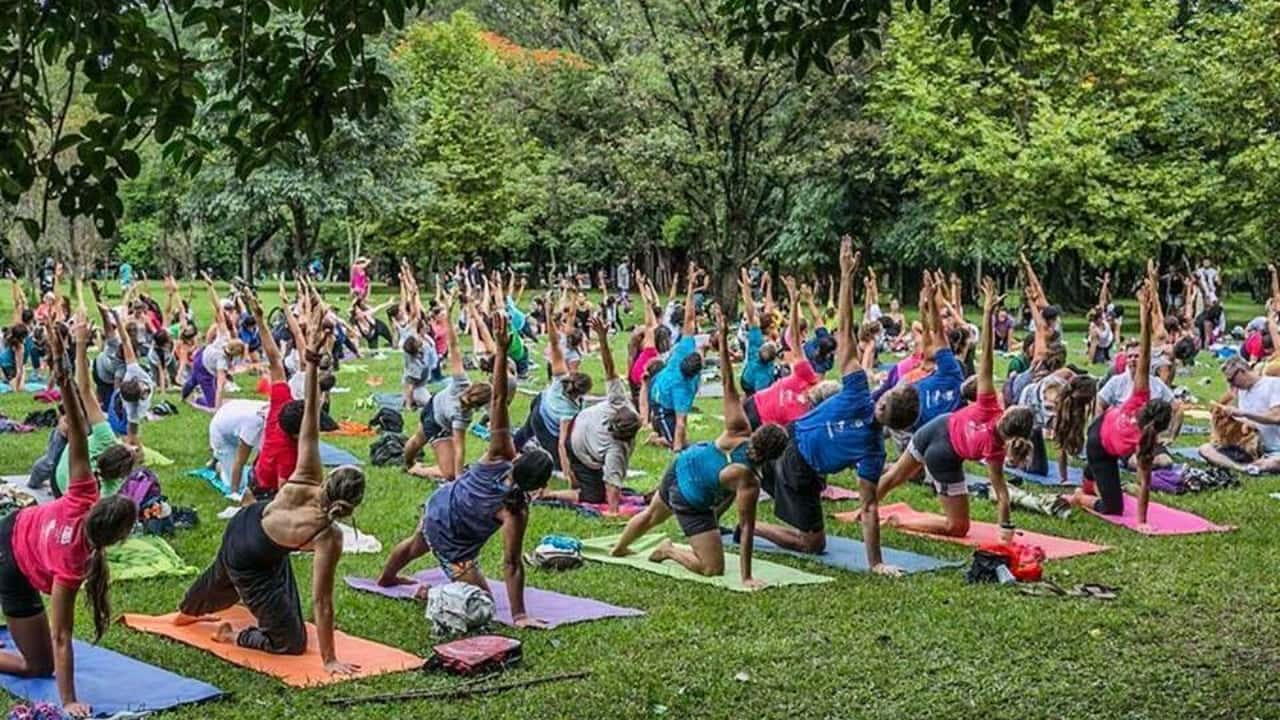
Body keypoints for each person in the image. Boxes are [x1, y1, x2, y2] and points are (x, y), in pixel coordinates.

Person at [175, 306, 366, 672]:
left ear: (329, 481)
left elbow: (309, 419)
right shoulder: (330, 534)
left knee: (218, 580)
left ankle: (189, 610)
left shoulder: (308, 476)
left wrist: (310, 363)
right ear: (352, 505)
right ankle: (230, 634)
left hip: (248, 527)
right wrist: (329, 661)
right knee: (291, 643)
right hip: (251, 555)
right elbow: (323, 602)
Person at [376, 313, 554, 628]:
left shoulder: (500, 454)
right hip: (451, 540)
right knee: (482, 604)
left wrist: (501, 352)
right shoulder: (516, 510)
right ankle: (430, 593)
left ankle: (387, 578)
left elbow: (498, 398)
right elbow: (511, 564)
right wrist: (520, 615)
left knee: (417, 543)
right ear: (536, 488)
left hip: (438, 505)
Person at [0, 314, 136, 718]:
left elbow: (76, 430)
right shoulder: (73, 563)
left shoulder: (83, 492)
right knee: (36, 665)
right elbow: (62, 637)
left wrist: (64, 362)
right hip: (10, 563)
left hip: (12, 524)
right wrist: (69, 701)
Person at [755, 239, 920, 573]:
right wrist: (875, 564)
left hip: (791, 449)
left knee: (803, 525)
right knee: (813, 545)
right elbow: (869, 508)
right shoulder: (871, 437)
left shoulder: (863, 401)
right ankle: (749, 525)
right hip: (792, 452)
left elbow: (844, 332)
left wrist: (847, 277)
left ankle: (748, 520)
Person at [609, 306, 788, 588]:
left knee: (651, 516)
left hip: (681, 465)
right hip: (690, 497)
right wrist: (747, 576)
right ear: (775, 456)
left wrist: (725, 344)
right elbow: (748, 529)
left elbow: (729, 384)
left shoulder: (738, 429)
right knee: (712, 568)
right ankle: (669, 549)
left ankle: (619, 548)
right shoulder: (750, 480)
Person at [875, 277, 1034, 539]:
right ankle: (893, 520)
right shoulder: (994, 449)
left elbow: (986, 358)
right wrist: (1005, 531)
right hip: (939, 446)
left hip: (934, 432)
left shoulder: (988, 404)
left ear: (1006, 412)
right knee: (958, 528)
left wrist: (986, 313)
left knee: (894, 477)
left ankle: (866, 511)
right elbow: (1002, 495)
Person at [1066, 279, 1170, 525]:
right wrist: (1145, 316)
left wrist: (1146, 315)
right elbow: (1143, 485)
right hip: (1099, 443)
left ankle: (1090, 477)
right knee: (1112, 508)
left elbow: (1144, 358)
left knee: (1099, 469)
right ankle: (1080, 497)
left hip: (1103, 436)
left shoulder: (1139, 402)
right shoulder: (1142, 419)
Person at [540, 317, 641, 514]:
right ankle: (549, 494)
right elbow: (612, 486)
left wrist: (602, 338)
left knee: (598, 482)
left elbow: (609, 368)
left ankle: (578, 479)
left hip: (579, 431)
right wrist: (613, 513)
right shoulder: (618, 449)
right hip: (578, 449)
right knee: (592, 496)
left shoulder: (619, 403)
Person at [53, 302, 139, 498]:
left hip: (59, 479)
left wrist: (81, 344)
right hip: (65, 492)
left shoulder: (105, 437)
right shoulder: (109, 490)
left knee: (74, 426)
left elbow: (84, 390)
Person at [404, 295, 491, 481]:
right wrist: (459, 477)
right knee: (422, 445)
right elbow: (460, 448)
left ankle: (411, 463)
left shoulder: (462, 384)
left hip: (437, 407)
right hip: (435, 420)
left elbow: (454, 347)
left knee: (420, 443)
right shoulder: (463, 414)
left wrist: (449, 319)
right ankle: (412, 467)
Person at [249, 290, 308, 503]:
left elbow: (274, 360)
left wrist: (260, 320)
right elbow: (284, 496)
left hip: (256, 472)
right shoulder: (289, 454)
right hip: (265, 491)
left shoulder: (280, 403)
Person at [648, 264, 703, 450]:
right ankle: (656, 436)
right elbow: (681, 422)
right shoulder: (683, 389)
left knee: (685, 439)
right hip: (659, 399)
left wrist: (691, 287)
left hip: (665, 381)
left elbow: (689, 318)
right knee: (674, 442)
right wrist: (678, 452)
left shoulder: (684, 348)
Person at [1198, 356, 1280, 474]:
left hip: (1276, 448)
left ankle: (1254, 466)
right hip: (1251, 448)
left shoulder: (1273, 384)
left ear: (1242, 371)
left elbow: (1276, 417)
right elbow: (1249, 424)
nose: (1232, 385)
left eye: (1231, 380)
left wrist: (1245, 414)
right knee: (1204, 449)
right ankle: (1243, 468)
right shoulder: (1242, 392)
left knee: (1274, 463)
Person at [208, 400, 268, 501]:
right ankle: (219, 466)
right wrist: (234, 492)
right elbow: (240, 461)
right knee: (241, 484)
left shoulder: (276, 411)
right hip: (221, 434)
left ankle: (219, 458)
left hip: (233, 418)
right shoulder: (253, 425)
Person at [738, 269, 779, 395]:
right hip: (751, 380)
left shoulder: (756, 342)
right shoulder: (765, 374)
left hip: (747, 376)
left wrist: (746, 284)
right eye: (771, 326)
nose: (773, 327)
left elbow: (766, 308)